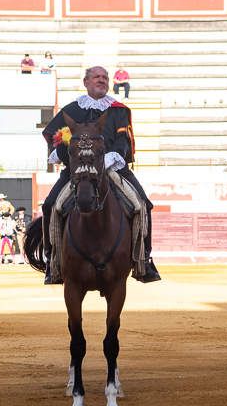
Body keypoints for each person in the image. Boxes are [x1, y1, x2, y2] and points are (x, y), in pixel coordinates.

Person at [41, 65, 160, 285]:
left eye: (105, 77)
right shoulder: (71, 110)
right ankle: (53, 261)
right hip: (77, 170)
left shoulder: (118, 110)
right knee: (49, 206)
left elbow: (124, 140)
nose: (102, 80)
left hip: (112, 168)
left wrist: (111, 157)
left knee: (143, 204)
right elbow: (51, 134)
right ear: (85, 82)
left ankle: (144, 261)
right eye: (96, 77)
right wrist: (68, 155)